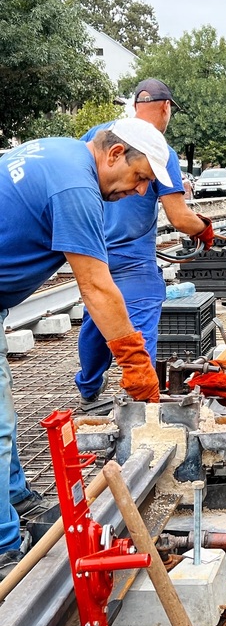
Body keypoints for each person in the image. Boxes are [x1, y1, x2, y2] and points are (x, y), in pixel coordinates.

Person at [0, 118, 168, 578]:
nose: (138, 192)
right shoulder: (76, 188)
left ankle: (16, 501)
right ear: (114, 154)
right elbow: (96, 286)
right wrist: (136, 362)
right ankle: (4, 550)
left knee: (4, 413)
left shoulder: (63, 152)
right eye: (139, 178)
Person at [75, 79, 214, 405]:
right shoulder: (160, 150)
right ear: (166, 108)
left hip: (92, 251)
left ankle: (89, 388)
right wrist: (203, 229)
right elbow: (179, 217)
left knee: (98, 314)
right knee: (139, 326)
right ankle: (139, 403)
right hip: (133, 256)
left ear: (136, 104)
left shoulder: (98, 135)